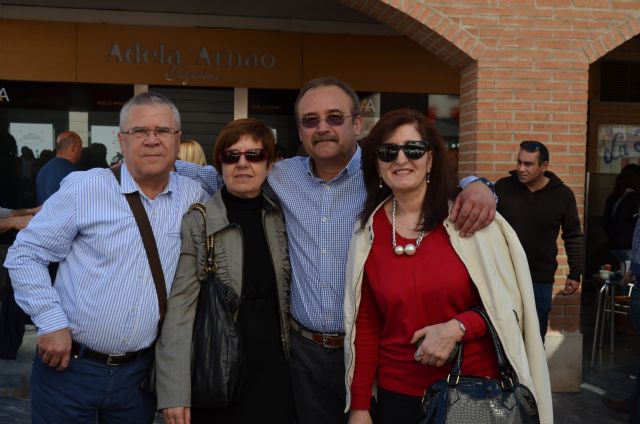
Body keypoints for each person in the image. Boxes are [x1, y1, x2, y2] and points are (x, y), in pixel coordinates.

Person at [174, 76, 497, 423]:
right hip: (304, 353)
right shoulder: (279, 175)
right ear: (299, 131)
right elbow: (215, 175)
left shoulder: (384, 172)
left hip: (371, 350)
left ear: (357, 124)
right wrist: (128, 170)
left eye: (335, 117)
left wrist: (480, 186)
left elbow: (423, 174)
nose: (322, 128)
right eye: (310, 120)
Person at [4, 91, 208, 423]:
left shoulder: (193, 196)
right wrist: (50, 321)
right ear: (121, 140)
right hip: (69, 369)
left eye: (163, 131)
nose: (152, 140)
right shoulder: (85, 188)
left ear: (178, 139)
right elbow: (26, 254)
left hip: (139, 377)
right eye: (140, 131)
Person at [343, 109, 552, 424]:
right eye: (388, 151)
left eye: (413, 149)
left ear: (430, 159)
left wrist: (458, 328)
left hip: (474, 392)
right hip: (396, 395)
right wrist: (359, 406)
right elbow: (368, 323)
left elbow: (507, 304)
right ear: (377, 163)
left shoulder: (471, 218)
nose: (401, 159)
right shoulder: (367, 233)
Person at [157, 118, 293, 424]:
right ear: (220, 164)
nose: (242, 164)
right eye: (232, 156)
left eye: (254, 156)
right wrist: (174, 392)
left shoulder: (279, 216)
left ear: (269, 165)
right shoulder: (200, 220)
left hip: (275, 375)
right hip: (217, 369)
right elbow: (180, 307)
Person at [495, 140, 583, 341]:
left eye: (528, 164)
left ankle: (533, 374)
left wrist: (575, 273)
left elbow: (573, 236)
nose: (521, 169)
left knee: (534, 338)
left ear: (544, 166)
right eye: (519, 162)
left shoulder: (562, 195)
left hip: (539, 278)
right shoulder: (503, 188)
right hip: (503, 275)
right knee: (503, 336)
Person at [602, 163, 640, 263]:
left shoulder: (613, 196)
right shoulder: (635, 198)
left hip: (614, 247)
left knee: (621, 276)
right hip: (630, 248)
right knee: (633, 277)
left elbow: (605, 224)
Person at [35, 130, 83, 204]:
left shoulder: (44, 169)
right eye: (80, 146)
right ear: (73, 148)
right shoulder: (73, 173)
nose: (82, 150)